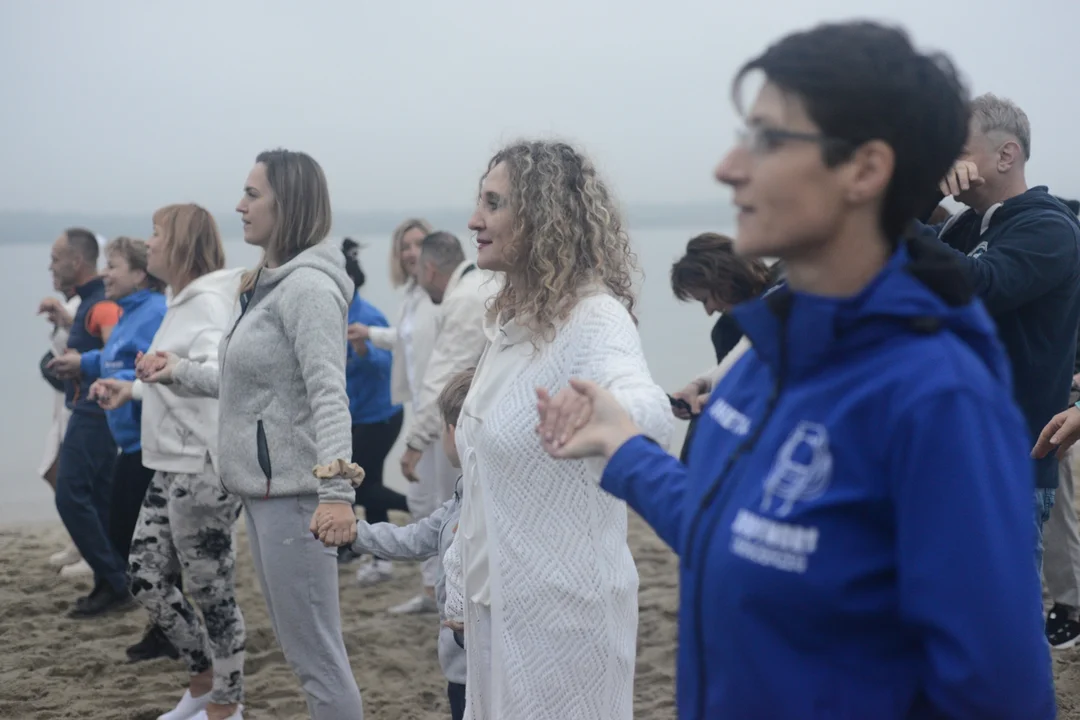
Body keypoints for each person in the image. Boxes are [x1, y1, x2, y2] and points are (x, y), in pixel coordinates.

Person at [536, 21, 1054, 719]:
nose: (729, 167)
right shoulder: (764, 361)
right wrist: (623, 446)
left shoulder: (939, 399)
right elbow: (736, 532)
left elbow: (999, 696)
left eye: (769, 140)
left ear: (866, 170)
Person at [446, 139, 672, 719]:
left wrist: (614, 417)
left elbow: (643, 400)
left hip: (564, 624)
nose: (474, 220)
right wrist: (457, 588)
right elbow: (477, 483)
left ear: (543, 218)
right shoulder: (511, 327)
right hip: (494, 613)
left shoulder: (594, 318)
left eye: (493, 204)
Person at [141, 150, 365, 720]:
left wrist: (338, 495)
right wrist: (179, 372)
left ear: (286, 206)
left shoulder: (308, 289)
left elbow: (328, 394)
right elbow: (254, 389)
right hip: (263, 494)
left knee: (317, 659)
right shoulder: (263, 285)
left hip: (296, 498)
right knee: (303, 652)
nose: (239, 206)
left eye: (252, 194)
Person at [95, 205, 246, 716]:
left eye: (157, 234)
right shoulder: (178, 301)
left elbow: (216, 376)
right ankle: (202, 681)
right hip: (172, 463)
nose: (149, 243)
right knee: (144, 576)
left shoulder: (208, 305)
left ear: (180, 245)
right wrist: (132, 387)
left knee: (212, 590)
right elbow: (174, 376)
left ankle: (226, 705)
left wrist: (166, 372)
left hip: (202, 466)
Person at [928, 93, 1080, 569]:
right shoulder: (962, 229)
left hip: (1006, 467)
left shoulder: (1048, 227)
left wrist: (908, 212)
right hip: (946, 454)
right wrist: (914, 204)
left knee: (999, 632)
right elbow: (887, 272)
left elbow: (976, 287)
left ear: (1006, 154)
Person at [320, 366, 473, 720]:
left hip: (478, 665)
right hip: (459, 665)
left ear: (453, 432)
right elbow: (413, 539)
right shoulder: (462, 496)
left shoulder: (484, 503)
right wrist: (355, 532)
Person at [348, 218, 447, 603]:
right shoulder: (412, 294)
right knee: (424, 502)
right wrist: (370, 336)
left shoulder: (440, 299)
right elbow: (407, 344)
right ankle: (429, 590)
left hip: (438, 414)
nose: (411, 252)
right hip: (420, 408)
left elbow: (444, 355)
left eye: (419, 244)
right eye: (404, 246)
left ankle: (444, 592)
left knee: (440, 503)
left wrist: (367, 340)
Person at [47, 227, 130, 616]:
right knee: (99, 500)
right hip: (91, 410)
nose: (51, 265)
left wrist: (85, 369)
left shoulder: (102, 305)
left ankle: (115, 579)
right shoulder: (90, 304)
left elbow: (116, 353)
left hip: (94, 413)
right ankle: (111, 582)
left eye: (55, 258)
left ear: (76, 261)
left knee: (70, 496)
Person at [668, 233, 777, 461]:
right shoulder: (730, 328)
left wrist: (722, 396)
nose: (709, 311)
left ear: (724, 279)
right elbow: (741, 360)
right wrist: (699, 385)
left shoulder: (783, 302)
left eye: (705, 299)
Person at [338, 237, 409, 566]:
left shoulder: (368, 316)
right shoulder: (333, 313)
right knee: (370, 482)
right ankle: (378, 555)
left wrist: (364, 350)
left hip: (381, 416)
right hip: (355, 415)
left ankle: (417, 507)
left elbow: (388, 366)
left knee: (357, 486)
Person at [38, 279, 85, 574]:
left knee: (70, 476)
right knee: (53, 471)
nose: (50, 268)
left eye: (57, 259)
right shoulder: (73, 304)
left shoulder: (89, 303)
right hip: (64, 403)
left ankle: (90, 547)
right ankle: (81, 540)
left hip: (81, 404)